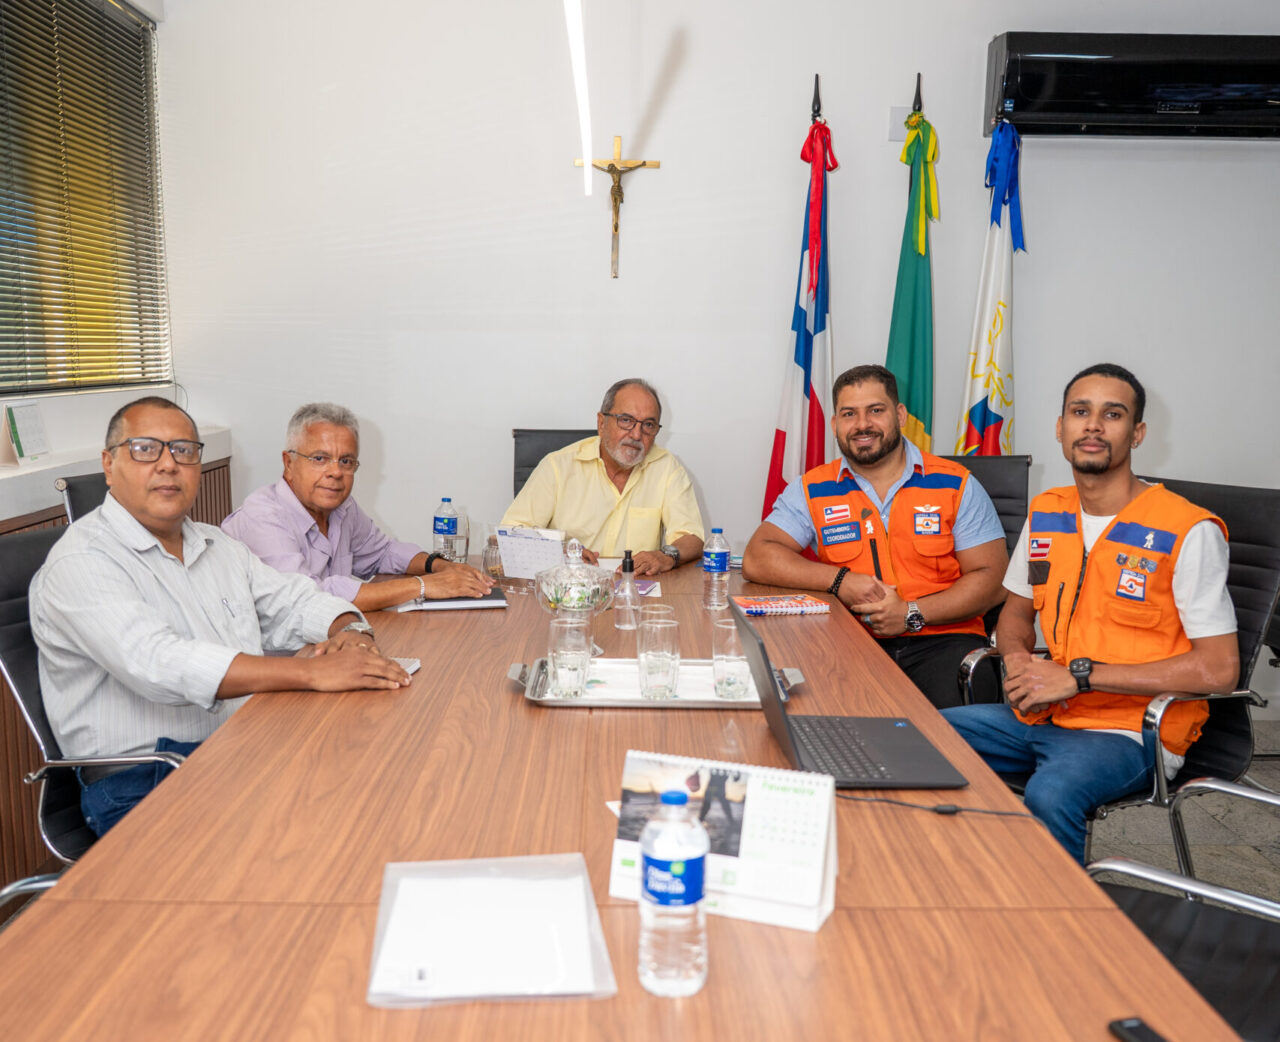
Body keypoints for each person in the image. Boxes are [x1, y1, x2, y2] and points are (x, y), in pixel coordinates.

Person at [29, 396, 413, 836]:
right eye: (145, 449)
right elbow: (160, 663)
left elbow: (293, 599)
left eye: (183, 451)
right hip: (145, 779)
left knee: (380, 774)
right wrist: (311, 673)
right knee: (329, 823)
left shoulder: (217, 545)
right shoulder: (81, 561)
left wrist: (352, 632)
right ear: (109, 464)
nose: (168, 464)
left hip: (240, 744)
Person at [941, 364, 1238, 864]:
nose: (1093, 425)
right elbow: (1015, 615)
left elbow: (1219, 670)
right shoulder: (1048, 513)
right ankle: (962, 877)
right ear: (1061, 428)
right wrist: (1017, 662)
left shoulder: (1187, 530)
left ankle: (1060, 911)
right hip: (1047, 713)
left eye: (1113, 414)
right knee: (920, 737)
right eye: (1080, 412)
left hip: (1132, 731)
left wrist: (1078, 678)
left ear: (1137, 433)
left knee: (1051, 793)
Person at [743, 364, 1008, 709]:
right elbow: (758, 556)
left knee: (952, 734)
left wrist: (911, 613)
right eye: (849, 414)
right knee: (814, 719)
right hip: (848, 642)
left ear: (900, 415)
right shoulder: (813, 488)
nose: (862, 424)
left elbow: (993, 579)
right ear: (835, 424)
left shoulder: (955, 484)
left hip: (943, 640)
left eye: (875, 410)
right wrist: (840, 580)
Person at [222, 402, 493, 612]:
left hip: (332, 641)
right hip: (276, 659)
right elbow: (309, 599)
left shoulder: (342, 508)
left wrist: (439, 567)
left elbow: (383, 552)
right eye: (320, 458)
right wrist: (423, 586)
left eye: (346, 461)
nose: (335, 472)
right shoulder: (262, 517)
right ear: (289, 464)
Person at [501, 378, 705, 575]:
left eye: (648, 425)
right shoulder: (557, 466)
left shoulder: (667, 468)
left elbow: (692, 538)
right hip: (569, 588)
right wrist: (559, 552)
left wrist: (664, 556)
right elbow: (510, 534)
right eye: (626, 420)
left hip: (634, 588)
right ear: (601, 423)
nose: (636, 434)